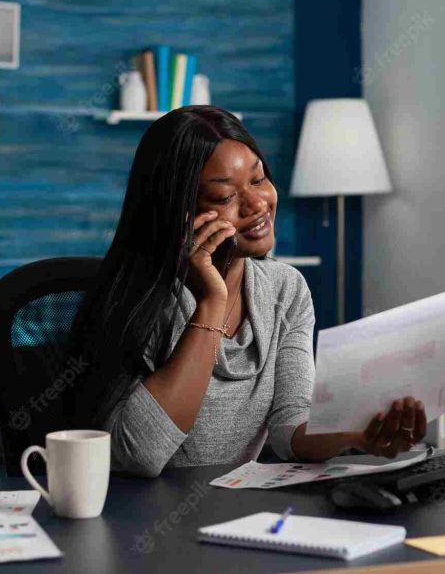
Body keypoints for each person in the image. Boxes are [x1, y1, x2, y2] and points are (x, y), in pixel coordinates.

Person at [70, 105, 425, 477]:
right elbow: (141, 454)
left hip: (235, 511)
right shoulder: (140, 299)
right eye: (224, 198)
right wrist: (211, 302)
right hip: (140, 519)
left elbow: (290, 428)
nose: (258, 205)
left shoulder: (286, 290)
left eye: (258, 180)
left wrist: (358, 436)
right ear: (179, 212)